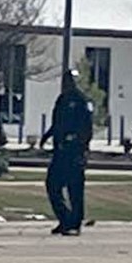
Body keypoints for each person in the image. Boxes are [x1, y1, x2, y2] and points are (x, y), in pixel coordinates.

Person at [40, 70, 94, 236]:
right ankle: (65, 219)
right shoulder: (62, 100)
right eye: (66, 80)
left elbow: (87, 127)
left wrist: (79, 144)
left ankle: (74, 223)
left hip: (74, 152)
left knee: (75, 188)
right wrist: (47, 136)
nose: (68, 83)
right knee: (52, 185)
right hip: (60, 151)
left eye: (71, 80)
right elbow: (57, 123)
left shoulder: (82, 101)